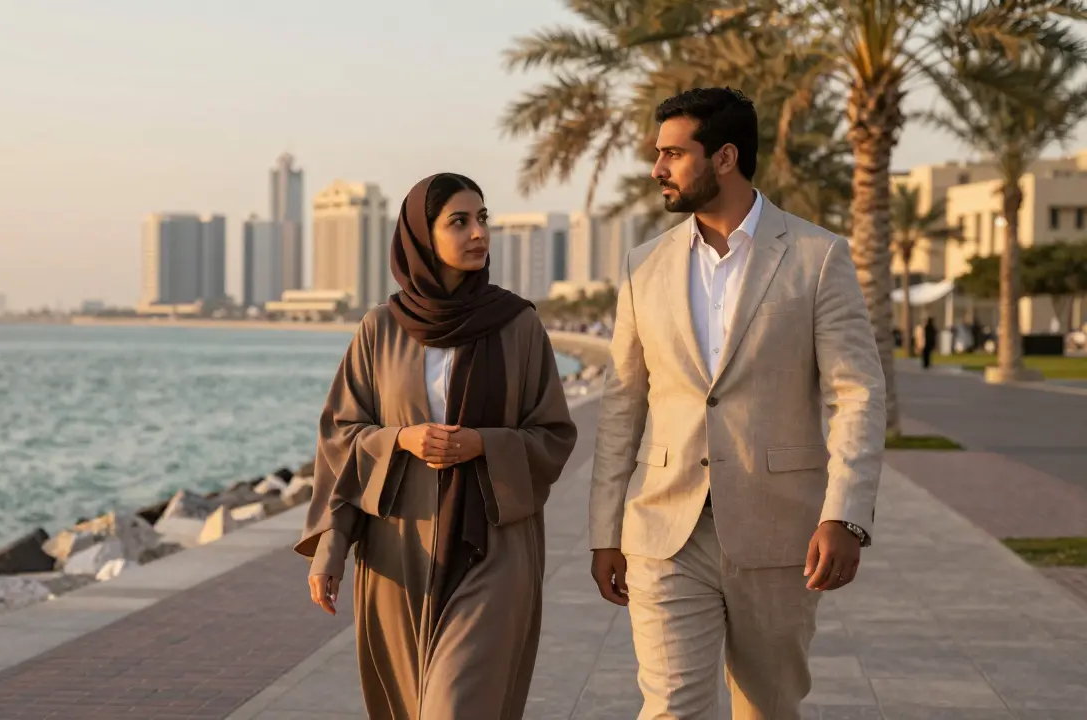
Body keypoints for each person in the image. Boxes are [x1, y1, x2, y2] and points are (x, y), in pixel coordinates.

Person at [588, 88, 886, 719]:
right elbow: (622, 404)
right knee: (671, 706)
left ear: (724, 157)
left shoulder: (816, 255)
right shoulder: (645, 266)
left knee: (767, 707)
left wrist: (846, 515)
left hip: (781, 529)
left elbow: (857, 391)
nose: (657, 169)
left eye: (673, 153)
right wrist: (603, 531)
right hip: (666, 529)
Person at [296, 172, 578, 719]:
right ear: (421, 236)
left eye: (483, 220)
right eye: (459, 222)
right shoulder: (381, 329)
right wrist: (400, 440)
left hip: (493, 545)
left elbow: (555, 435)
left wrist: (481, 444)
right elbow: (341, 439)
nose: (478, 234)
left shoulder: (518, 325)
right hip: (399, 548)